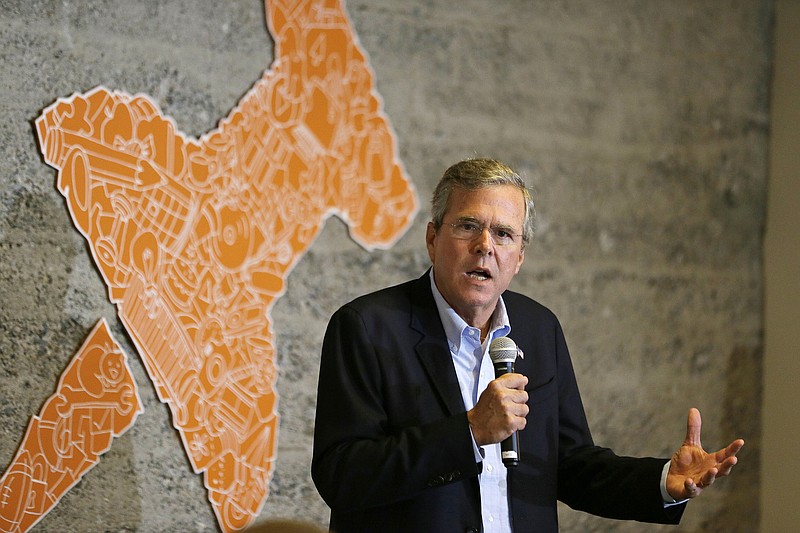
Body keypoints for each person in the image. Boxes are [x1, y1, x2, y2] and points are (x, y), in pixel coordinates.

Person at [311, 158, 744, 533]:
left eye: (503, 234)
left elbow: (570, 465)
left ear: (519, 257)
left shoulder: (538, 329)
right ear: (432, 238)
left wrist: (663, 481)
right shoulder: (367, 328)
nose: (485, 246)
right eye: (468, 226)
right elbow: (342, 476)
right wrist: (470, 431)